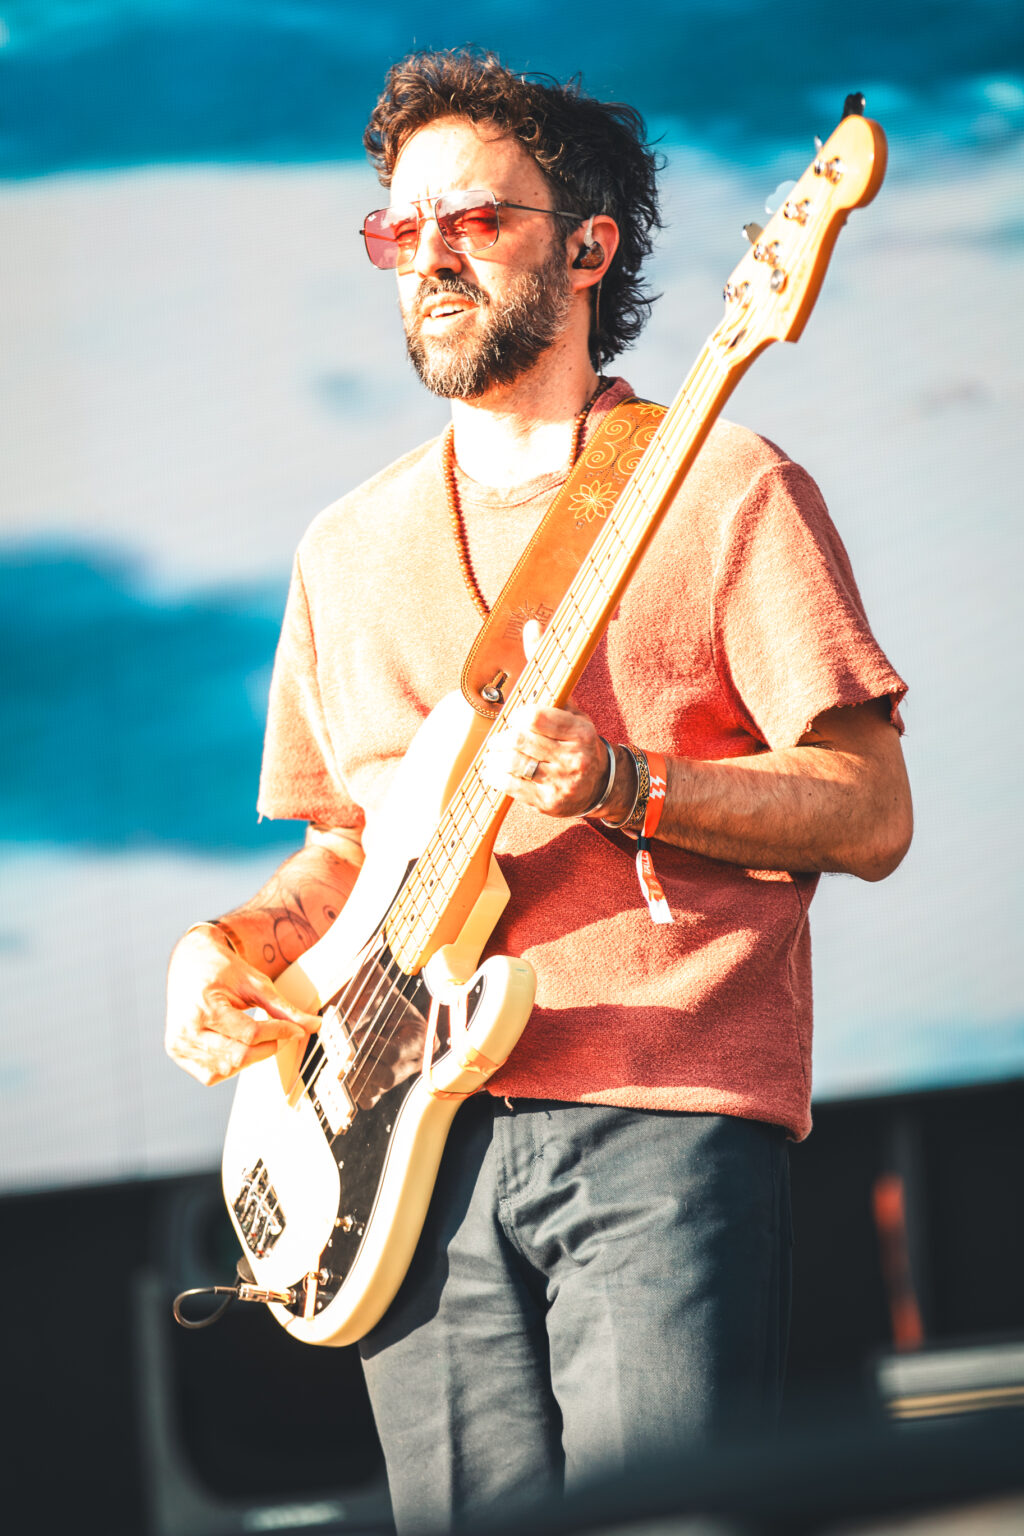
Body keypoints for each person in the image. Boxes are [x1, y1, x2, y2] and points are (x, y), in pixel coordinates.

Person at [166, 49, 912, 1533]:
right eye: (399, 229)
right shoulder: (346, 550)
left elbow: (865, 807)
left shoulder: (726, 484)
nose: (426, 254)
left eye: (473, 222)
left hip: (662, 1111)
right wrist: (235, 949)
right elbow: (346, 855)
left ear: (588, 248)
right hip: (407, 1149)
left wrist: (626, 783)